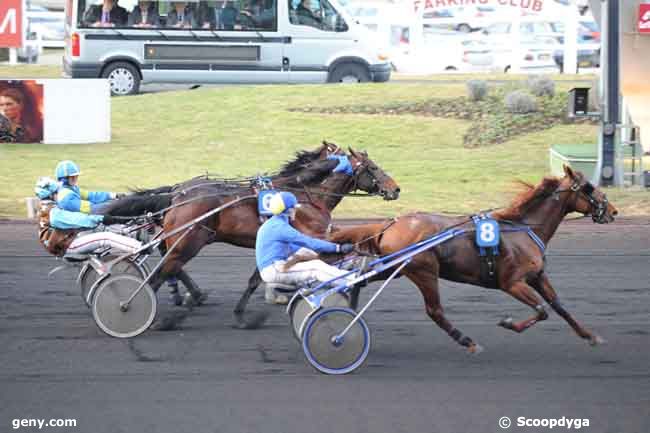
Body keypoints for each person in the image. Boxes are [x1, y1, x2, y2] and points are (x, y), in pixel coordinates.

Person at [255, 192, 355, 299]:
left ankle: (338, 274)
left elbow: (295, 247)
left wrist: (316, 251)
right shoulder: (280, 227)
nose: (295, 211)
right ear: (288, 210)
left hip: (273, 268)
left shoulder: (273, 224)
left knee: (308, 255)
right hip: (274, 270)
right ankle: (351, 280)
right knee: (315, 267)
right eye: (294, 208)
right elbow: (308, 242)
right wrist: (337, 248)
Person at [34, 177, 139, 257]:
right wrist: (100, 218)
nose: (59, 193)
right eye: (57, 191)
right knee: (105, 237)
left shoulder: (46, 206)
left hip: (67, 238)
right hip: (65, 245)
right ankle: (138, 247)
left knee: (98, 228)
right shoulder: (52, 212)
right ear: (51, 194)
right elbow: (75, 219)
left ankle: (131, 234)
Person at [54, 160, 122, 215]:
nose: (75, 178)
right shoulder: (66, 196)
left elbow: (91, 196)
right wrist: (112, 206)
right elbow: (90, 208)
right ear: (64, 178)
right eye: (72, 177)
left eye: (76, 176)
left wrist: (113, 195)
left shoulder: (72, 188)